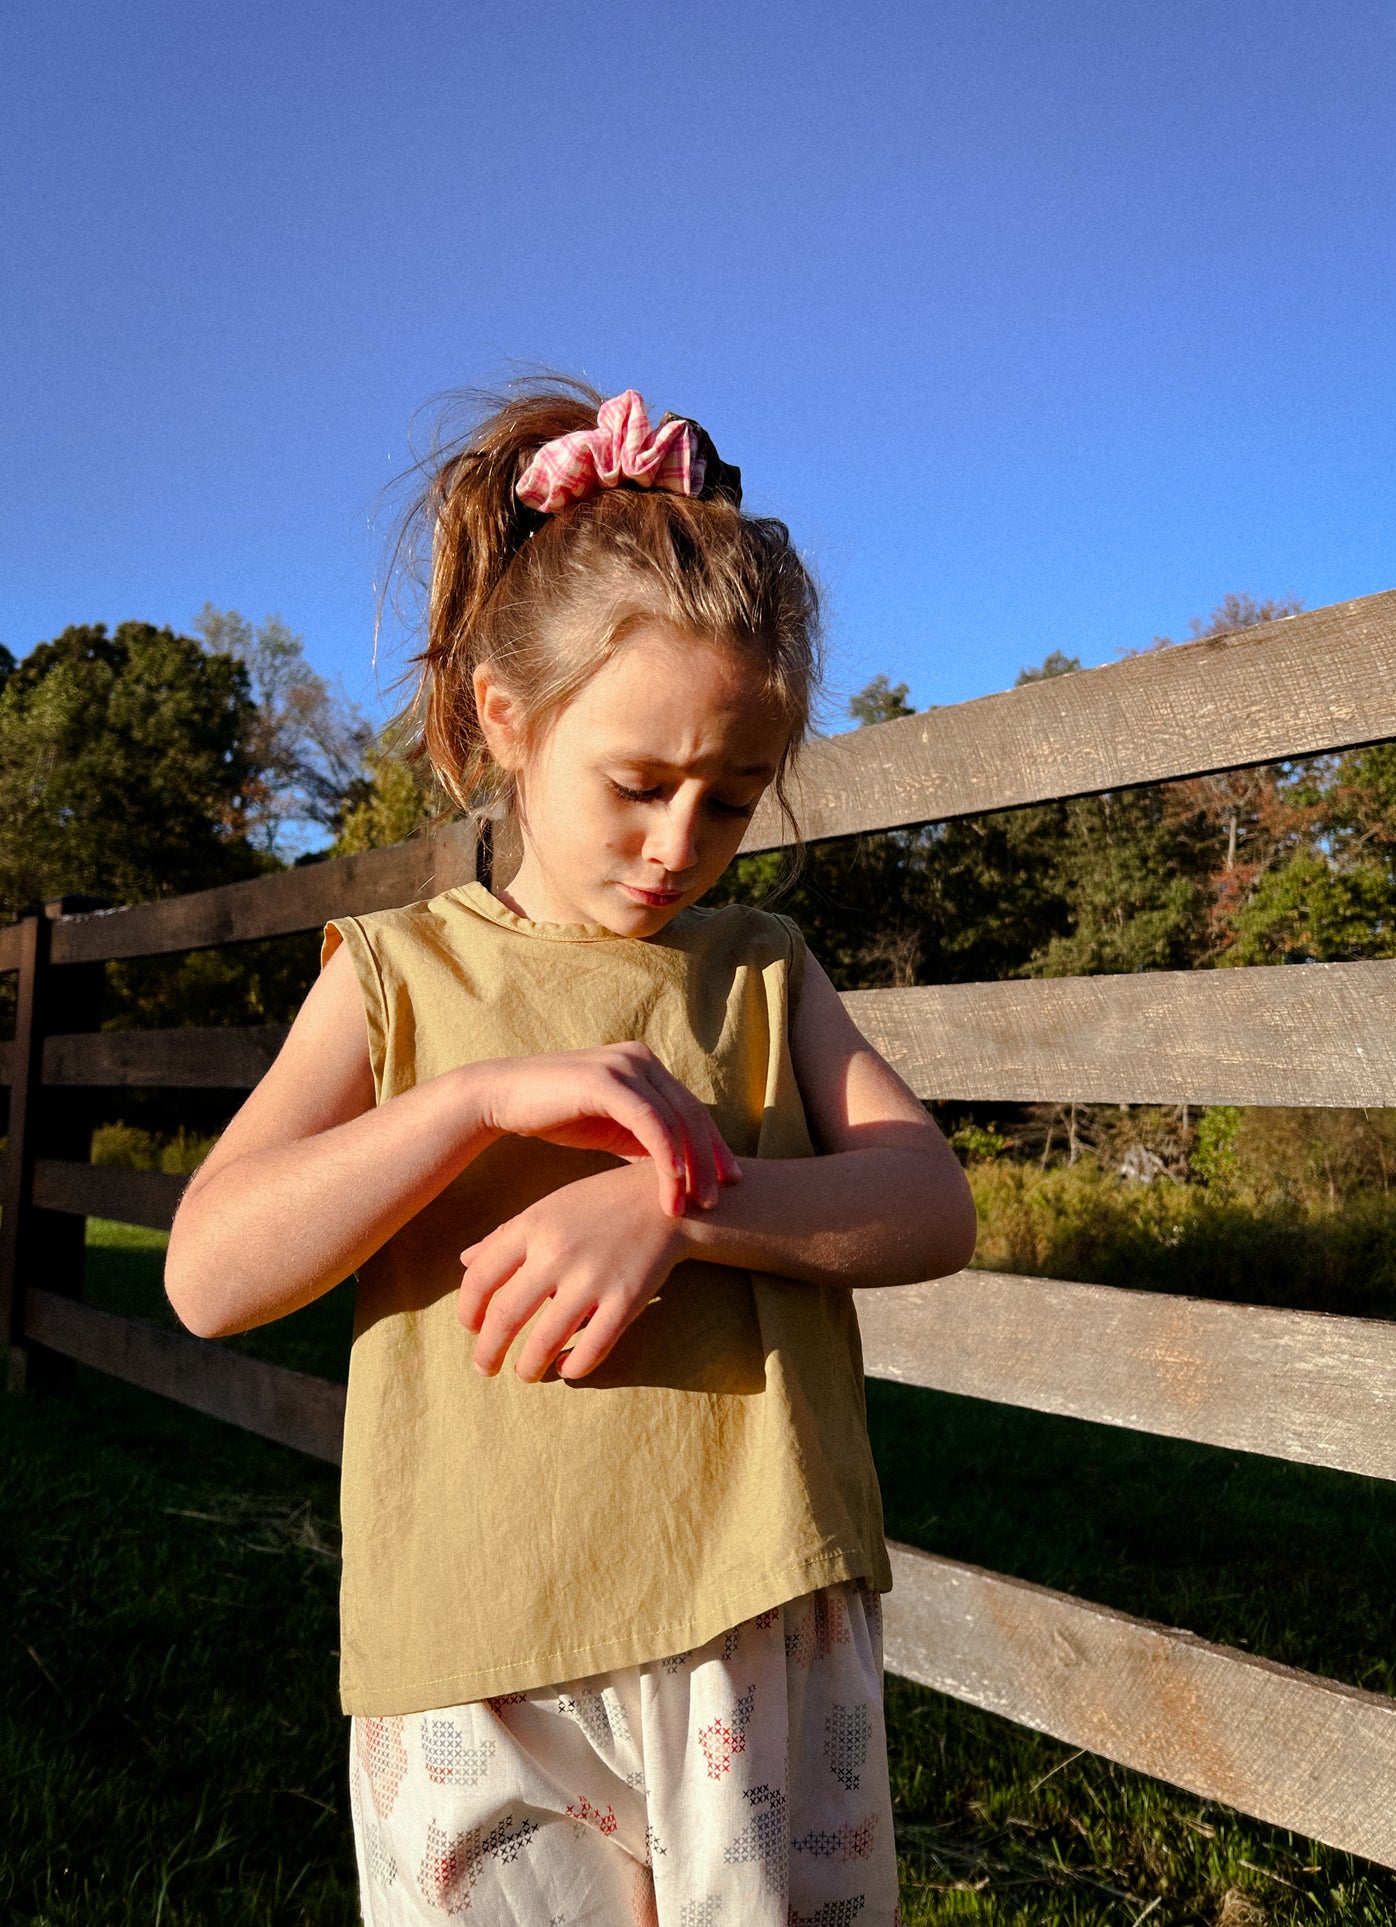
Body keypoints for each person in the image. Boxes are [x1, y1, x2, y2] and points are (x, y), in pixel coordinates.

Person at [166, 380, 975, 1925]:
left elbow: (925, 1200)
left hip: (756, 1614)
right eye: (638, 785)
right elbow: (208, 1274)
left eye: (730, 799)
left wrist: (679, 1209)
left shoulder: (759, 969)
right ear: (505, 719)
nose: (680, 843)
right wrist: (473, 1104)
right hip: (471, 1648)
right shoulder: (397, 975)